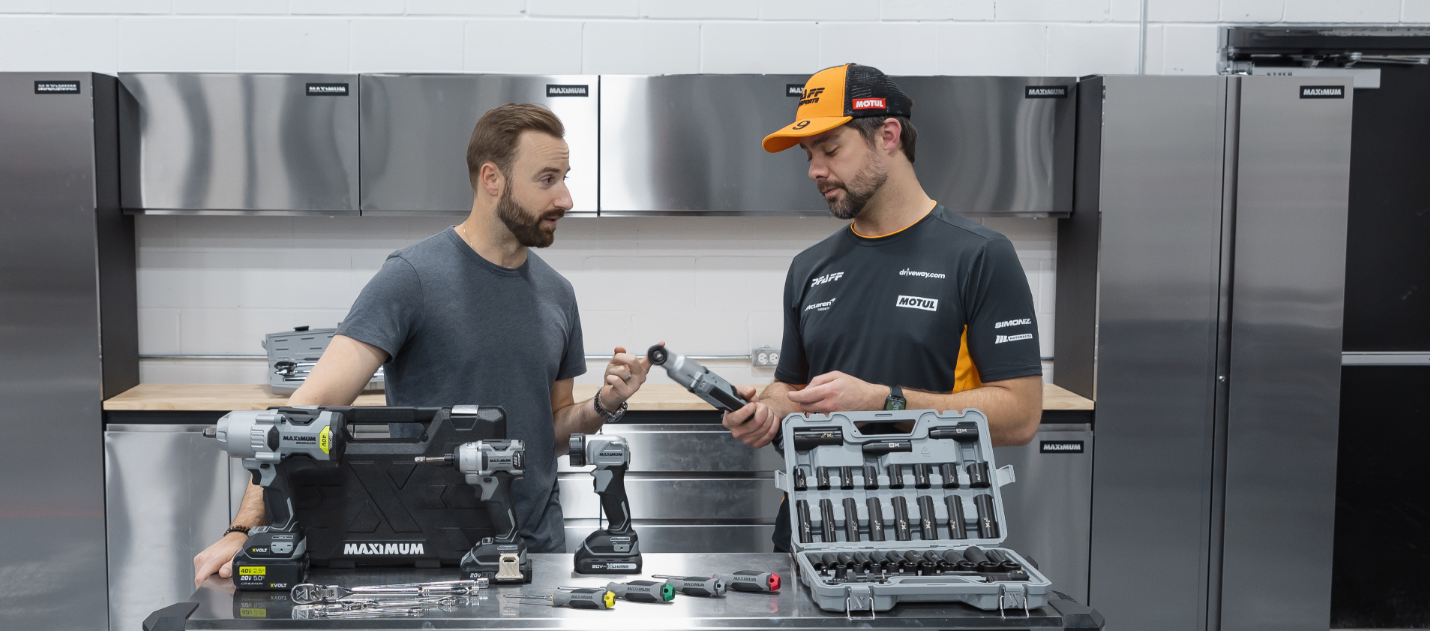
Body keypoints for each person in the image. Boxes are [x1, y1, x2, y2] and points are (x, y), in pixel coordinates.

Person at [193, 103, 651, 585]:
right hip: (435, 556)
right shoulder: (412, 278)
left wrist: (603, 405)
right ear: (491, 179)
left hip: (535, 552)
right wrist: (244, 527)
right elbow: (306, 413)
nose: (566, 198)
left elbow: (549, 432)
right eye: (547, 179)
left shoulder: (558, 294)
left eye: (565, 177)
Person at [723, 63, 1046, 551]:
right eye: (809, 155)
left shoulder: (979, 255)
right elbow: (795, 389)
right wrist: (767, 410)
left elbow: (1020, 416)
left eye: (831, 149)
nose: (814, 170)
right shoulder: (809, 267)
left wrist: (884, 402)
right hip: (812, 529)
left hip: (934, 530)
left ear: (888, 136)